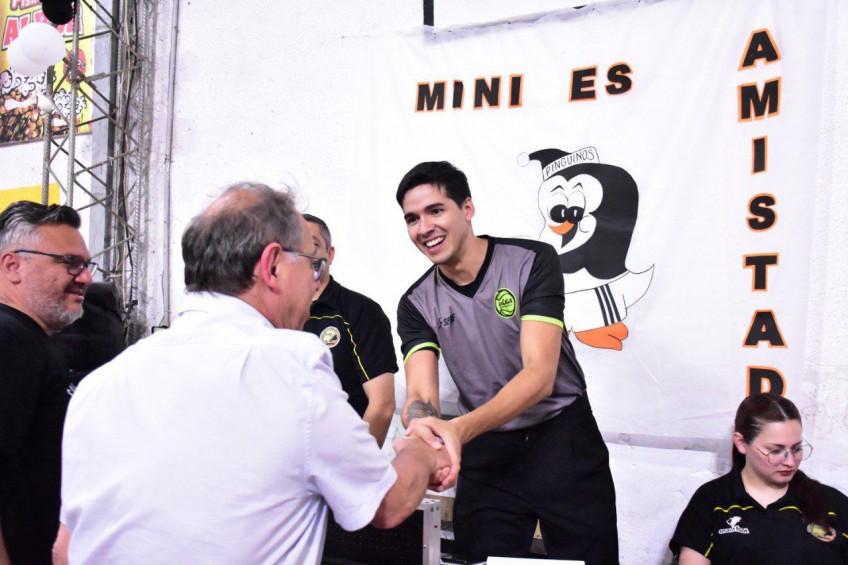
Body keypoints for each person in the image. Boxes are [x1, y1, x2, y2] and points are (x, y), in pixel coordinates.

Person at [58, 182, 448, 564]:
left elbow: (65, 547)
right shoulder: (292, 368)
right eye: (309, 265)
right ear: (274, 265)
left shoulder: (101, 385)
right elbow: (387, 505)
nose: (314, 283)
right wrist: (420, 451)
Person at [395, 161, 618, 563]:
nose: (424, 227)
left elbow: (540, 376)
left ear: (467, 208)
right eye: (412, 218)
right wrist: (422, 435)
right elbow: (421, 396)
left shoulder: (531, 260)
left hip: (562, 439)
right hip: (488, 452)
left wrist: (457, 431)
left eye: (435, 210)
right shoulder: (416, 303)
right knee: (480, 559)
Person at [0, 201, 94, 565]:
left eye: (86, 265)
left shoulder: (29, 339)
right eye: (70, 262)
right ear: (13, 266)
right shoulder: (10, 339)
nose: (85, 278)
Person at [670, 393, 848, 564]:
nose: (790, 462)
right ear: (741, 443)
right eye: (775, 450)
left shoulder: (832, 503)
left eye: (796, 449)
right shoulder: (711, 500)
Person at [302, 214, 398, 447]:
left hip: (342, 454)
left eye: (313, 245)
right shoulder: (275, 313)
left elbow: (382, 406)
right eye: (294, 247)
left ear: (329, 254)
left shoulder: (360, 311)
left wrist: (357, 464)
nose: (303, 255)